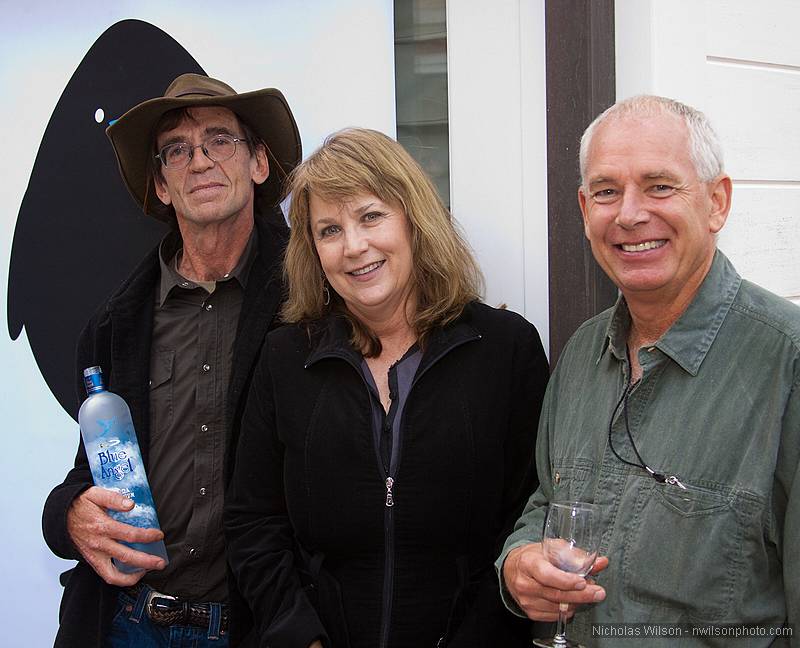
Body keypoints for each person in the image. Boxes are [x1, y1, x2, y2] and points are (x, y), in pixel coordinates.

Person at [223, 128, 549, 648]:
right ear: (313, 250)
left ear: (414, 220)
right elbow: (253, 522)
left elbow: (529, 517)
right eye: (330, 230)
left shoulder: (506, 350)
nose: (354, 247)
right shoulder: (285, 358)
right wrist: (301, 637)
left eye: (371, 216)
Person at [498, 95, 799, 646]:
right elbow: (548, 500)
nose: (629, 214)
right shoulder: (582, 353)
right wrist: (519, 561)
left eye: (659, 186)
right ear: (585, 209)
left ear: (717, 202)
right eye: (606, 192)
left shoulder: (788, 365)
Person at [42, 73, 301, 648]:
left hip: (257, 627)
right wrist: (67, 513)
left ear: (259, 163)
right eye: (177, 150)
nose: (200, 161)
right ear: (161, 184)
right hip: (127, 622)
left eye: (219, 140)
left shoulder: (309, 304)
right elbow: (95, 469)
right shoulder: (113, 325)